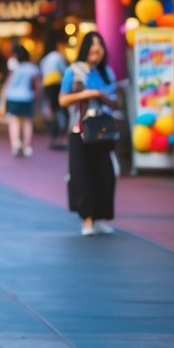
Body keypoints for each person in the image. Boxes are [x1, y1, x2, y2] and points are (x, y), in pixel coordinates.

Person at [59, 30, 120, 236]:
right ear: (86, 50)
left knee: (105, 174)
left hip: (103, 130)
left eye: (100, 50)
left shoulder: (106, 72)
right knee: (81, 174)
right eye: (93, 51)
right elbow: (63, 99)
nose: (97, 55)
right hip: (81, 129)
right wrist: (90, 93)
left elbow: (115, 99)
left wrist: (105, 96)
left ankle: (102, 218)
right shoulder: (74, 71)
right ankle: (87, 219)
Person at [0, 44, 41, 157]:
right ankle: (27, 146)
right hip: (27, 97)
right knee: (27, 122)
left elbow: (8, 84)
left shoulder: (15, 68)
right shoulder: (32, 68)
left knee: (14, 121)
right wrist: (35, 95)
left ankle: (16, 143)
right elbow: (37, 85)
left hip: (13, 97)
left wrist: (2, 100)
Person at [41, 35, 69, 149]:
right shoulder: (58, 56)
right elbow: (65, 71)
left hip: (47, 85)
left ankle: (53, 134)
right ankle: (61, 133)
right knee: (61, 109)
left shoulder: (44, 59)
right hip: (57, 84)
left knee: (53, 109)